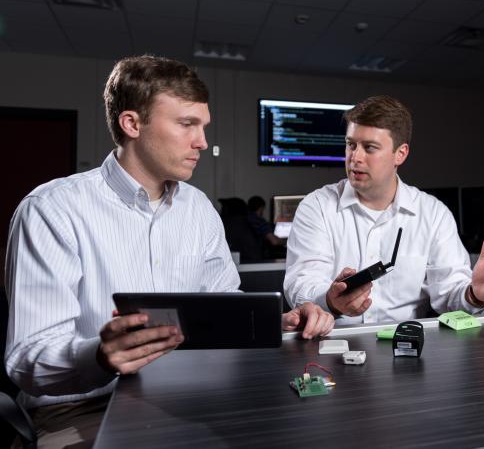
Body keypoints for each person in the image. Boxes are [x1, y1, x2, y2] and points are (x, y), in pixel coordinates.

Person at [4, 55, 334, 448]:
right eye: (186, 124)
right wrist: (99, 356)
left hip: (188, 393)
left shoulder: (200, 209)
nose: (202, 141)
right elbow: (27, 359)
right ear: (132, 124)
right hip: (83, 407)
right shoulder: (52, 210)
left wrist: (278, 322)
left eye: (203, 126)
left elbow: (224, 307)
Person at [283, 95, 484, 324]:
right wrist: (331, 301)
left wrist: (474, 294)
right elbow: (301, 283)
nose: (355, 157)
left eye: (370, 148)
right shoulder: (317, 206)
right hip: (331, 343)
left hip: (406, 346)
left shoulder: (433, 214)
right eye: (350, 144)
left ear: (400, 154)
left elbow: (449, 294)